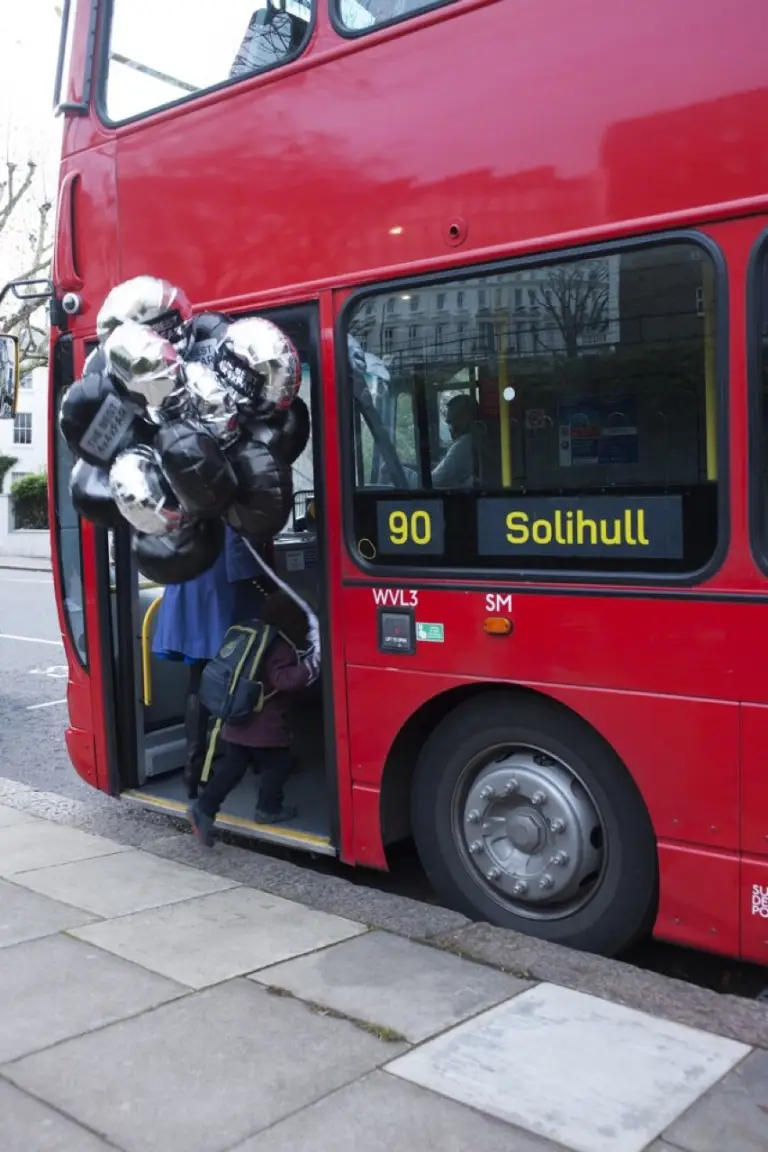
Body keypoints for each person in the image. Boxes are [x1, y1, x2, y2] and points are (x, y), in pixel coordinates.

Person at [187, 590, 319, 845]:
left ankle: (204, 807)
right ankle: (268, 809)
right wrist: (311, 666)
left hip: (238, 718)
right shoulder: (281, 645)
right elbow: (285, 680)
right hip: (264, 725)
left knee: (233, 767)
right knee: (279, 764)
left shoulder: (254, 631)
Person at [152, 527, 270, 798]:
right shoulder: (227, 497)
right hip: (218, 590)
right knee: (241, 673)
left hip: (185, 584)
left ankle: (193, 768)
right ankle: (249, 756)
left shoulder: (182, 495)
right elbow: (240, 559)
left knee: (198, 678)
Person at [431, 394, 482, 489]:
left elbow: (433, 481)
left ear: (463, 419)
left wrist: (402, 471)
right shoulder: (474, 440)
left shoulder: (464, 445)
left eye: (451, 422)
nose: (450, 429)